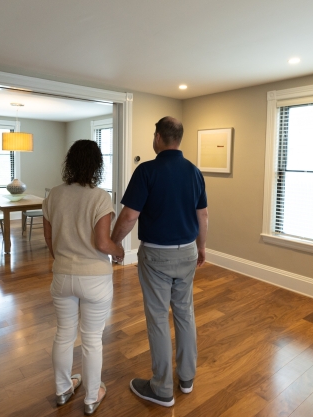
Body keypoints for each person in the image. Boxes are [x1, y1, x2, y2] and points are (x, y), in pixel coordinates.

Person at [111, 116, 208, 408]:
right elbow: (202, 216)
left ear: (157, 137)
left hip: (156, 255)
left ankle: (162, 388)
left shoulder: (147, 171)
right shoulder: (194, 171)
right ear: (179, 138)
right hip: (188, 251)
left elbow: (129, 216)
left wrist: (114, 243)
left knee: (157, 317)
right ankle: (187, 379)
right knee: (184, 313)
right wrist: (201, 247)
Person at [43, 140, 124, 415]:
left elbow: (50, 242)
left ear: (70, 162)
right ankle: (91, 397)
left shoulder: (53, 195)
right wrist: (120, 250)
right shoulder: (100, 197)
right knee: (91, 339)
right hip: (95, 279)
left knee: (64, 334)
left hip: (62, 275)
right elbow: (103, 244)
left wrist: (66, 259)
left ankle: (63, 389)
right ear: (96, 165)